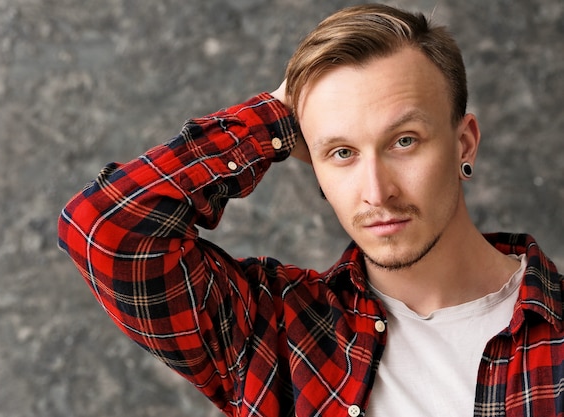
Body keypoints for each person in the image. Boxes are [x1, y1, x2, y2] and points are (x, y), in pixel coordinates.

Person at [58, 4, 563, 416]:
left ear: (464, 145)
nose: (376, 191)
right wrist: (274, 117)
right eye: (341, 153)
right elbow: (105, 228)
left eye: (404, 141)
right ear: (315, 167)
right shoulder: (275, 333)